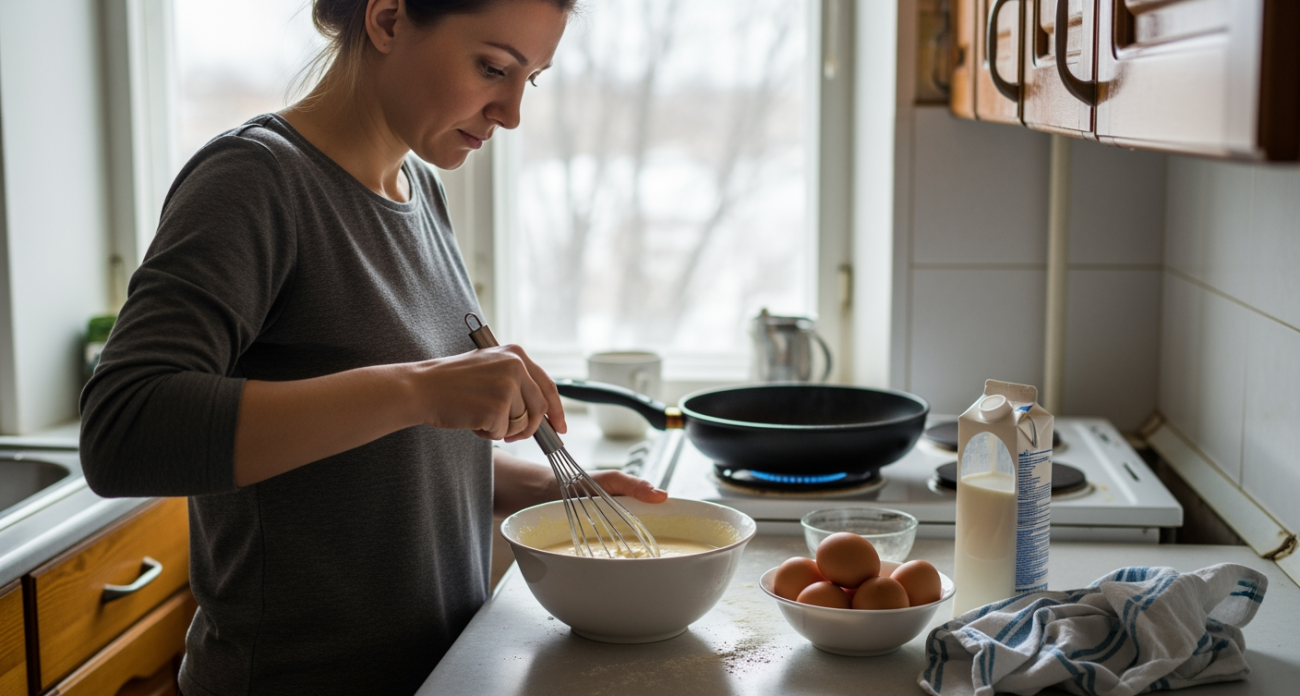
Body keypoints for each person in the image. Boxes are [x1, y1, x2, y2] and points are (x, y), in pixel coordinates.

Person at [79, 1, 666, 694]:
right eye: (492, 68)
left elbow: (382, 457)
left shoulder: (420, 189)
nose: (510, 112)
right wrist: (419, 387)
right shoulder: (256, 180)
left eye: (529, 79)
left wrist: (552, 488)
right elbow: (123, 431)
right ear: (387, 20)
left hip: (436, 673)